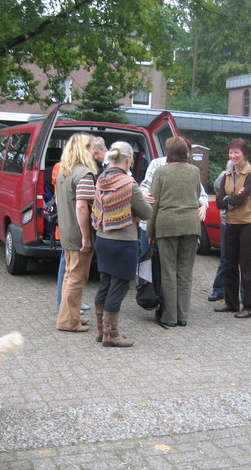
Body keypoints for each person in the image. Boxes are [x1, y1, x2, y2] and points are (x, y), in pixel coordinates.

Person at [91, 141, 153, 347]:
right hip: (123, 242)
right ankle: (112, 335)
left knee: (105, 283)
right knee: (119, 287)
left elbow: (102, 209)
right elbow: (147, 212)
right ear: (128, 159)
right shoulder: (128, 184)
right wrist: (132, 214)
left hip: (102, 239)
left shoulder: (101, 179)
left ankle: (101, 331)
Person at [146, 136, 202, 327]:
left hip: (167, 224)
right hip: (190, 224)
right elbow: (196, 196)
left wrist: (150, 231)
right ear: (186, 152)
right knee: (185, 272)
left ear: (169, 152)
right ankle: (183, 316)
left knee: (168, 272)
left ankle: (169, 317)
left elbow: (154, 202)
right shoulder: (195, 171)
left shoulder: (161, 172)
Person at [209, 161, 251, 302]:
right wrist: (229, 199)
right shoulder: (223, 176)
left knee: (245, 262)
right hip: (227, 222)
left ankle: (246, 297)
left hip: (245, 222)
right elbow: (218, 195)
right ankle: (220, 290)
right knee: (227, 259)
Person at [214, 138, 251, 319]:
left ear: (244, 154)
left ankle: (250, 306)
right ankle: (231, 302)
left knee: (247, 267)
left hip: (249, 223)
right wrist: (229, 199)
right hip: (231, 223)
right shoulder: (227, 174)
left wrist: (228, 199)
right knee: (229, 264)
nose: (233, 156)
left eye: (236, 152)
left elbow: (239, 200)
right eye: (231, 152)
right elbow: (219, 201)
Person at [56, 133, 98, 332]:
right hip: (78, 234)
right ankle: (68, 322)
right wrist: (86, 236)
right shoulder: (84, 174)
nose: (93, 151)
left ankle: (70, 316)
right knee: (77, 277)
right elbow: (82, 207)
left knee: (69, 276)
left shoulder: (64, 172)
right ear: (85, 149)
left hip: (66, 230)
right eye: (91, 147)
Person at [139, 151, 208, 255]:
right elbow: (145, 187)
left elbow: (201, 193)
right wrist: (143, 193)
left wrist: (204, 205)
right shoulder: (158, 164)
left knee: (169, 265)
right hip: (150, 224)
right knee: (148, 262)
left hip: (179, 228)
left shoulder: (191, 170)